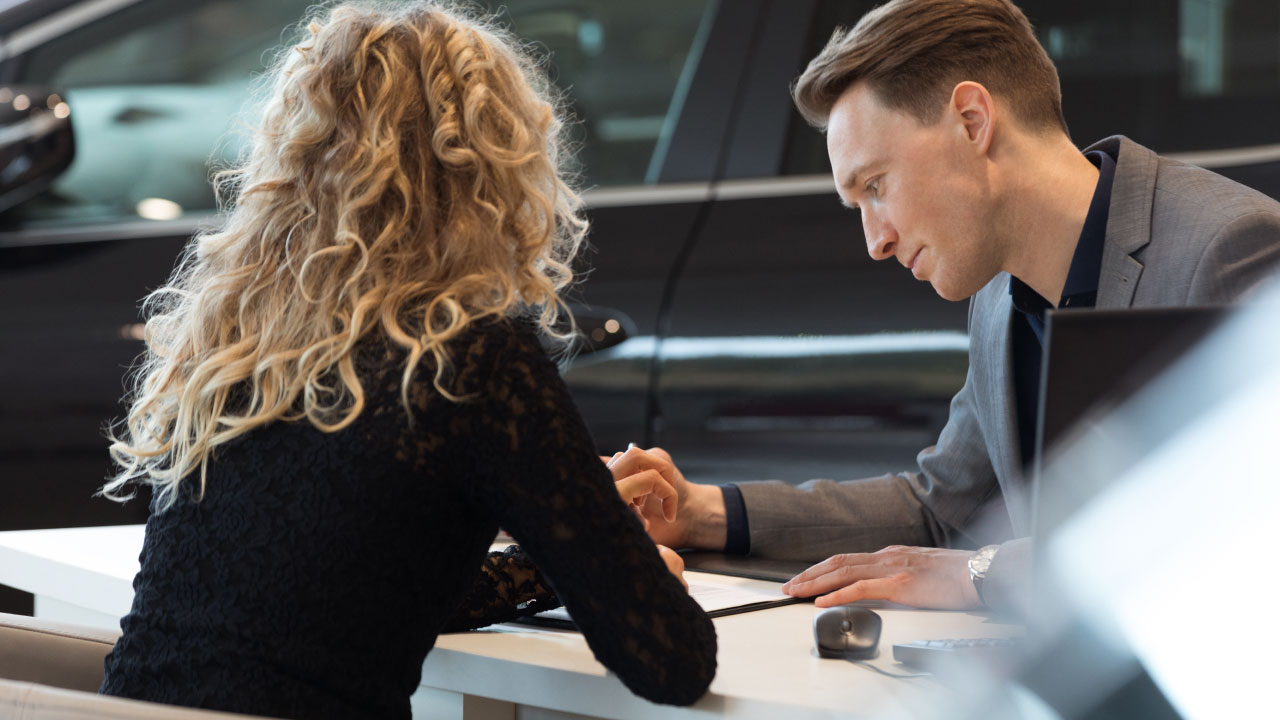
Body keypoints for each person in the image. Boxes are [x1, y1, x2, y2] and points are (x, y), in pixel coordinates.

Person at [97, 3, 715, 718]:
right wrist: (611, 555)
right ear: (492, 169)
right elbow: (673, 662)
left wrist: (566, 551)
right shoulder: (472, 360)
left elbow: (359, 589)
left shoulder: (233, 342)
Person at [611, 0, 1280, 614]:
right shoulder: (997, 294)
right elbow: (940, 509)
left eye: (877, 185)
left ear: (972, 121)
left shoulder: (1228, 248)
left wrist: (984, 573)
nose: (876, 240)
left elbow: (1247, 531)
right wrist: (706, 512)